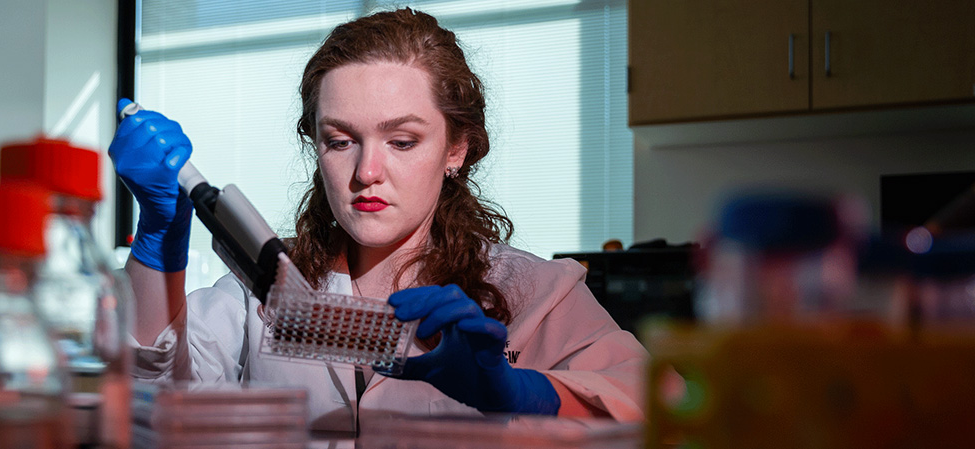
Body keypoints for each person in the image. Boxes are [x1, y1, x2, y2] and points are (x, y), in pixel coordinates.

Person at [112, 8, 647, 432]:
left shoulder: (538, 292)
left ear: (456, 148)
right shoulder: (260, 292)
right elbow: (148, 408)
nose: (367, 171)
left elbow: (659, 405)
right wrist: (159, 239)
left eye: (402, 141)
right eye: (340, 140)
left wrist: (523, 392)